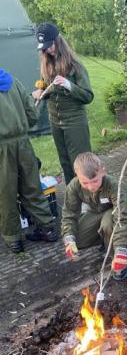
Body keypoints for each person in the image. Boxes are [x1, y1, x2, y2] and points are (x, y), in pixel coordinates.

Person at [0, 68, 57, 253]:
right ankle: (48, 229)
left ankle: (14, 239)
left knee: (5, 194)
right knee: (32, 187)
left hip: (2, 149)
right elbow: (31, 115)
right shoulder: (13, 81)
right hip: (24, 145)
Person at [32, 23, 94, 185]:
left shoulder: (75, 65)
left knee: (81, 163)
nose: (48, 50)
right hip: (55, 121)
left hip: (74, 120)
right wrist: (41, 93)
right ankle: (73, 195)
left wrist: (69, 85)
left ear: (58, 41)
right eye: (45, 48)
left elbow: (88, 96)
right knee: (65, 162)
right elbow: (47, 88)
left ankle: (89, 199)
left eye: (50, 45)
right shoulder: (46, 64)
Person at [61, 152, 127, 281]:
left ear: (102, 171)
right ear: (77, 175)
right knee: (78, 239)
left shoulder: (113, 185)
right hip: (94, 211)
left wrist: (121, 250)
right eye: (85, 183)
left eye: (95, 181)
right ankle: (105, 238)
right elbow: (69, 214)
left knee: (108, 224)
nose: (91, 186)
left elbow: (122, 218)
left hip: (113, 212)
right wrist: (69, 239)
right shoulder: (73, 186)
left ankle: (118, 257)